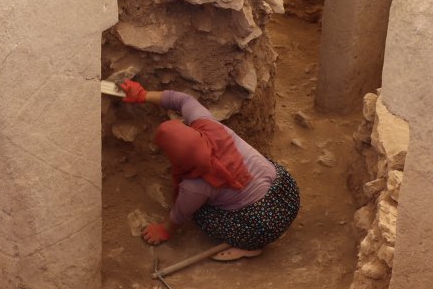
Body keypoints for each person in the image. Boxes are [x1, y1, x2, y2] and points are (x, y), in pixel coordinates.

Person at [120, 80, 301, 261]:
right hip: (287, 192)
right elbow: (183, 100)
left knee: (200, 214)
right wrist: (143, 95)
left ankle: (248, 246)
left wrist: (165, 230)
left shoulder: (195, 185)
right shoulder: (208, 125)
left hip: (263, 225)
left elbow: (179, 215)